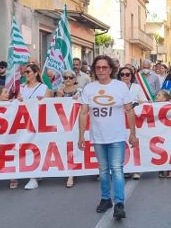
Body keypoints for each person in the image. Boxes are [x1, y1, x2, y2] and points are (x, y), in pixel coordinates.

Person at [78, 55, 138, 219]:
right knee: (103, 170)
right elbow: (83, 113)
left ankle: (119, 203)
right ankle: (105, 199)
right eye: (98, 67)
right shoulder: (89, 88)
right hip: (98, 136)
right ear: (94, 70)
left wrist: (133, 133)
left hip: (117, 136)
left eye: (105, 67)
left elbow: (129, 110)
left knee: (117, 169)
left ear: (111, 69)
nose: (102, 70)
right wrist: (81, 135)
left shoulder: (120, 87)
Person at [17, 63, 52, 190]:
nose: (25, 74)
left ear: (36, 73)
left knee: (37, 147)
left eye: (28, 72)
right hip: (25, 123)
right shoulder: (22, 87)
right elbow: (17, 103)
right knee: (27, 147)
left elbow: (50, 106)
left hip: (38, 123)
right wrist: (17, 101)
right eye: (24, 72)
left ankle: (34, 177)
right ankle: (35, 173)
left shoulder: (43, 88)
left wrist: (44, 100)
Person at [57, 70, 82, 188]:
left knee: (75, 146)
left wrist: (79, 98)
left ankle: (71, 174)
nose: (67, 80)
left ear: (74, 79)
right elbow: (55, 106)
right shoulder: (59, 90)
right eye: (65, 77)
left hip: (77, 124)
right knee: (65, 147)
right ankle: (69, 171)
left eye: (70, 77)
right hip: (63, 124)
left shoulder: (80, 91)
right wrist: (59, 95)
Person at [154, 89, 171, 178]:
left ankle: (169, 169)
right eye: (156, 95)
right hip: (157, 131)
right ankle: (161, 169)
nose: (156, 97)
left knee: (169, 148)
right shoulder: (152, 105)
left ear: (165, 98)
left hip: (168, 130)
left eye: (159, 95)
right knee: (159, 149)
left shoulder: (170, 104)